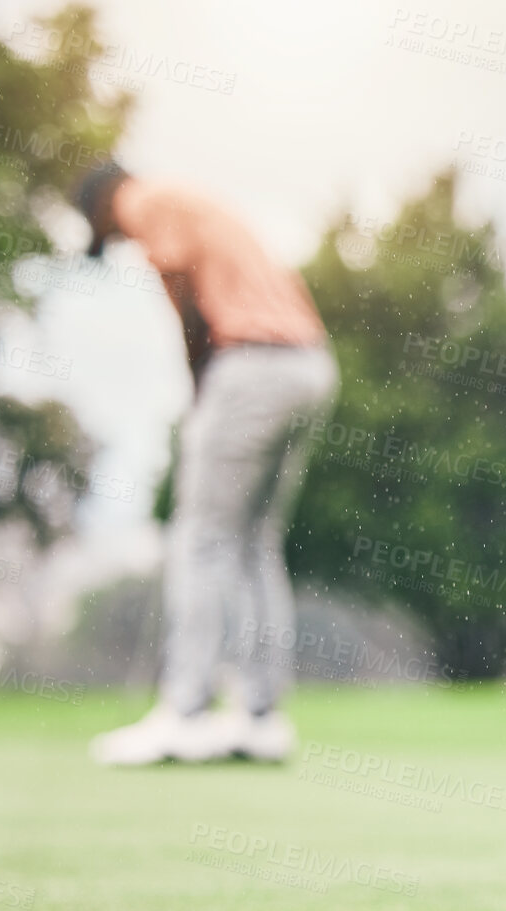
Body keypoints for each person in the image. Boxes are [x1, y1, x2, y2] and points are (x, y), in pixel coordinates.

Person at [75, 162, 339, 765]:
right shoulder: (195, 200)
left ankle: (186, 711)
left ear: (100, 205)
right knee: (252, 542)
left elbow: (185, 289)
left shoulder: (143, 202)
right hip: (308, 365)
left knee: (203, 538)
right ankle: (259, 716)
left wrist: (200, 385)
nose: (115, 240)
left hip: (250, 364)